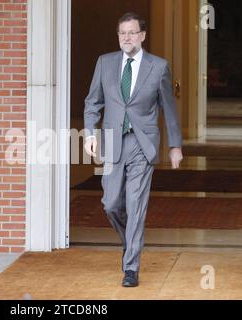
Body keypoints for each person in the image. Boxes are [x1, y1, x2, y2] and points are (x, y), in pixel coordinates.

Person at [84, 12, 183, 287]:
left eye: (131, 32)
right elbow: (93, 102)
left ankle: (131, 267)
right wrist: (89, 133)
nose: (126, 38)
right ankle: (131, 242)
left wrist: (175, 145)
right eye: (122, 33)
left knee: (136, 204)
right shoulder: (104, 63)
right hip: (113, 141)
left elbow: (169, 109)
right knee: (111, 203)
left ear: (142, 35)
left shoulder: (158, 67)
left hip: (142, 143)